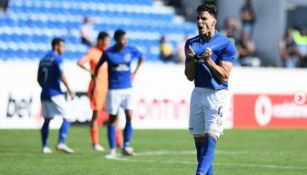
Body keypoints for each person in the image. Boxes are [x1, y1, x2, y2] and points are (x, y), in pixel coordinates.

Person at [184, 4, 236, 175]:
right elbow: (190, 76)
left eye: (204, 18)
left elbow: (225, 76)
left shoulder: (225, 44)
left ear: (214, 20)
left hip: (217, 95)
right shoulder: (191, 44)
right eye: (198, 18)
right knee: (200, 147)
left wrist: (209, 62)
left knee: (211, 140)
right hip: (198, 93)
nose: (200, 22)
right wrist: (191, 60)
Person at [95, 29, 144, 158]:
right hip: (113, 90)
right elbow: (98, 66)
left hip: (127, 88)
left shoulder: (130, 50)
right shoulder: (108, 53)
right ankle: (112, 149)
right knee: (112, 119)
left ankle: (126, 145)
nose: (124, 42)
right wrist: (96, 79)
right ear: (116, 39)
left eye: (126, 39)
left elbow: (141, 57)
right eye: (122, 39)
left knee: (129, 115)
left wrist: (135, 73)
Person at [77, 32, 123, 151]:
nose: (108, 44)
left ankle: (120, 142)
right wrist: (91, 72)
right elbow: (80, 62)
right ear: (100, 41)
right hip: (97, 88)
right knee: (96, 115)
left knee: (115, 114)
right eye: (107, 41)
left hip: (110, 87)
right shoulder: (93, 52)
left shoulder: (108, 52)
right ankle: (95, 143)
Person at [37, 38, 75, 154]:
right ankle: (61, 143)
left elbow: (38, 79)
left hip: (44, 93)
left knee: (47, 119)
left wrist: (45, 87)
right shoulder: (57, 59)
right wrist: (69, 89)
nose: (64, 49)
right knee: (68, 116)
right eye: (63, 46)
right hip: (55, 93)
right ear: (56, 46)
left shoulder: (43, 59)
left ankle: (45, 146)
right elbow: (61, 74)